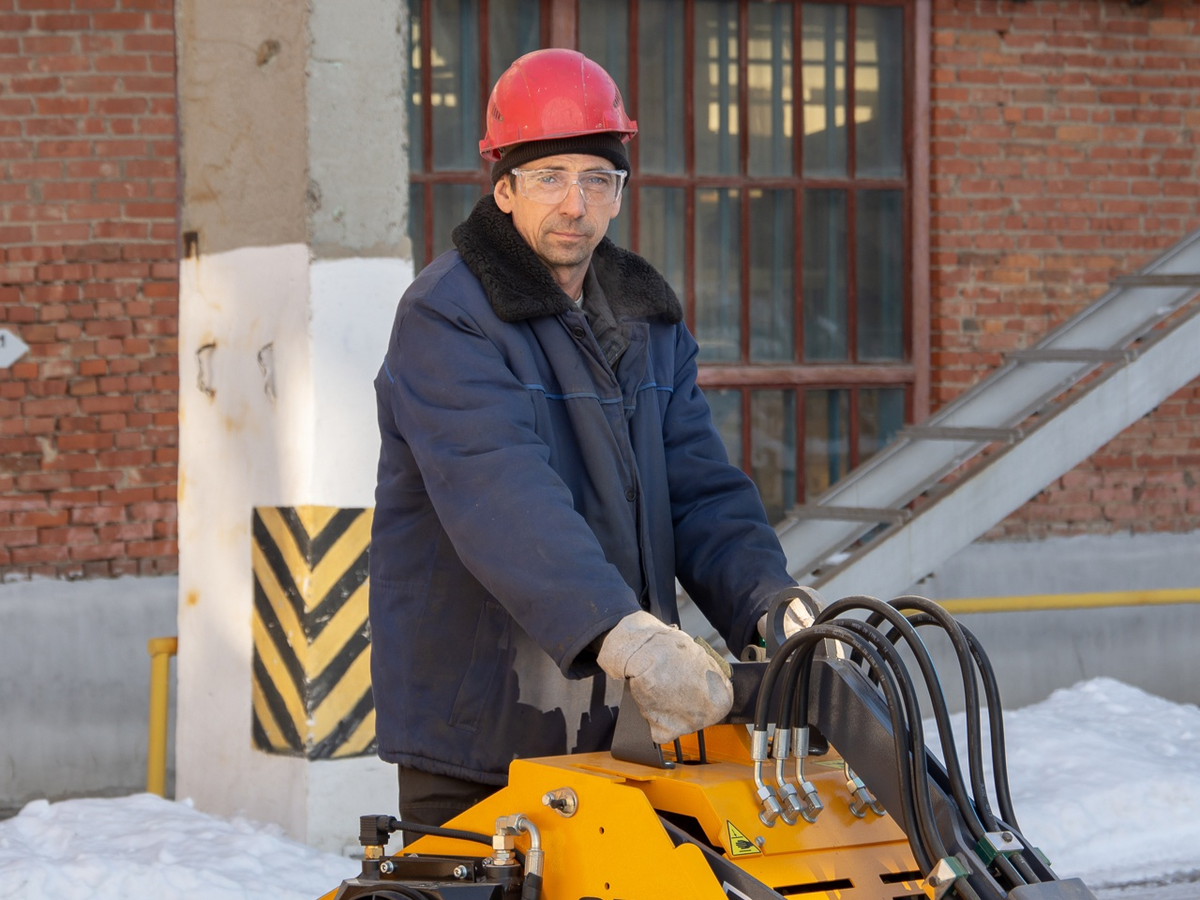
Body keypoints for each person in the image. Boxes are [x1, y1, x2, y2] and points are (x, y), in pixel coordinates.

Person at [369, 48, 807, 832]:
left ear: (619, 194)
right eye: (549, 176)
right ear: (504, 190)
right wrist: (623, 634)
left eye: (597, 179)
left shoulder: (646, 318)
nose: (575, 204)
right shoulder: (448, 317)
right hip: (482, 729)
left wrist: (769, 607)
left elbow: (699, 489)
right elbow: (501, 496)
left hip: (617, 730)